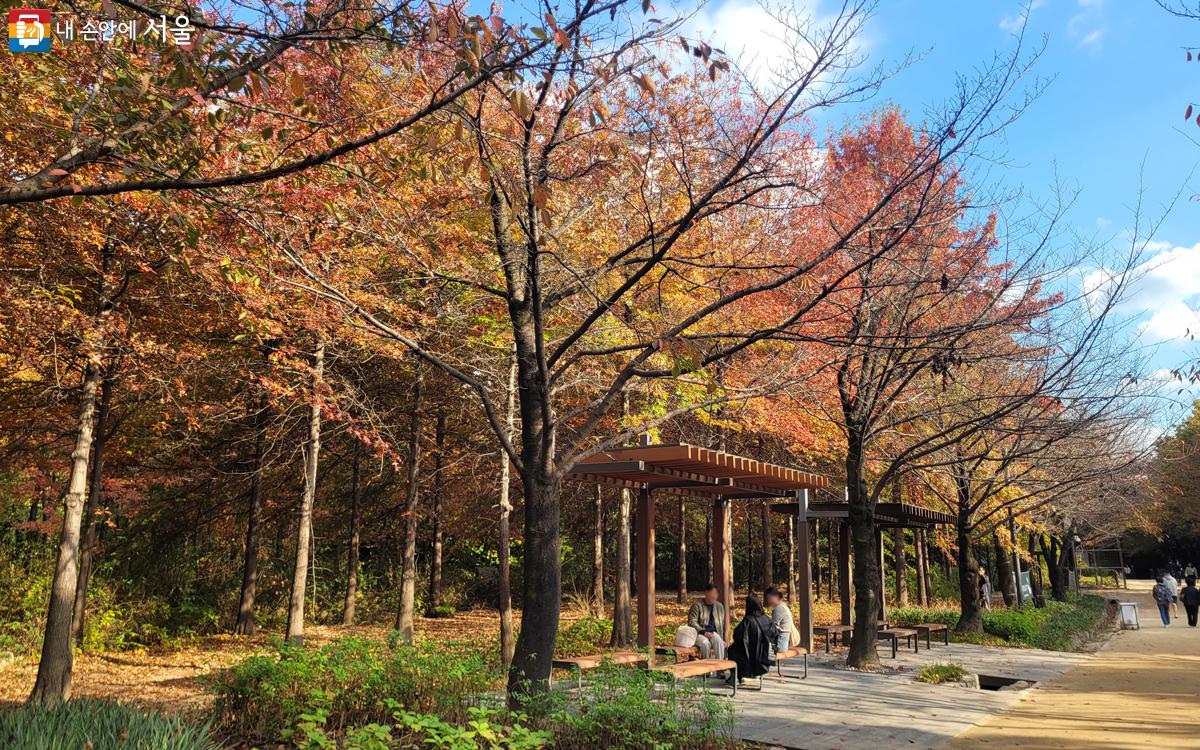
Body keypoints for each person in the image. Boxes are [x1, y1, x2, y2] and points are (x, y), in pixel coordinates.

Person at [725, 595, 777, 687]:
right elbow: (775, 635)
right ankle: (755, 675)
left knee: (731, 650)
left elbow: (737, 635)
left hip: (750, 657)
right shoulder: (767, 619)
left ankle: (736, 676)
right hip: (764, 656)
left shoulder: (748, 620)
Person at [687, 584, 727, 660]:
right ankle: (707, 669)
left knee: (719, 641)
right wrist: (703, 632)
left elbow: (722, 625)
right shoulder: (697, 605)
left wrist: (723, 640)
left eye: (716, 594)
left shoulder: (719, 607)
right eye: (712, 593)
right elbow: (692, 622)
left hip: (713, 634)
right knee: (705, 643)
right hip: (699, 634)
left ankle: (720, 667)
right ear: (706, 593)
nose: (714, 596)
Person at [764, 587, 793, 653]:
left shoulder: (779, 609)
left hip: (780, 644)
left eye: (768, 598)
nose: (767, 601)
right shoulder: (783, 605)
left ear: (774, 597)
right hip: (785, 641)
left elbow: (773, 628)